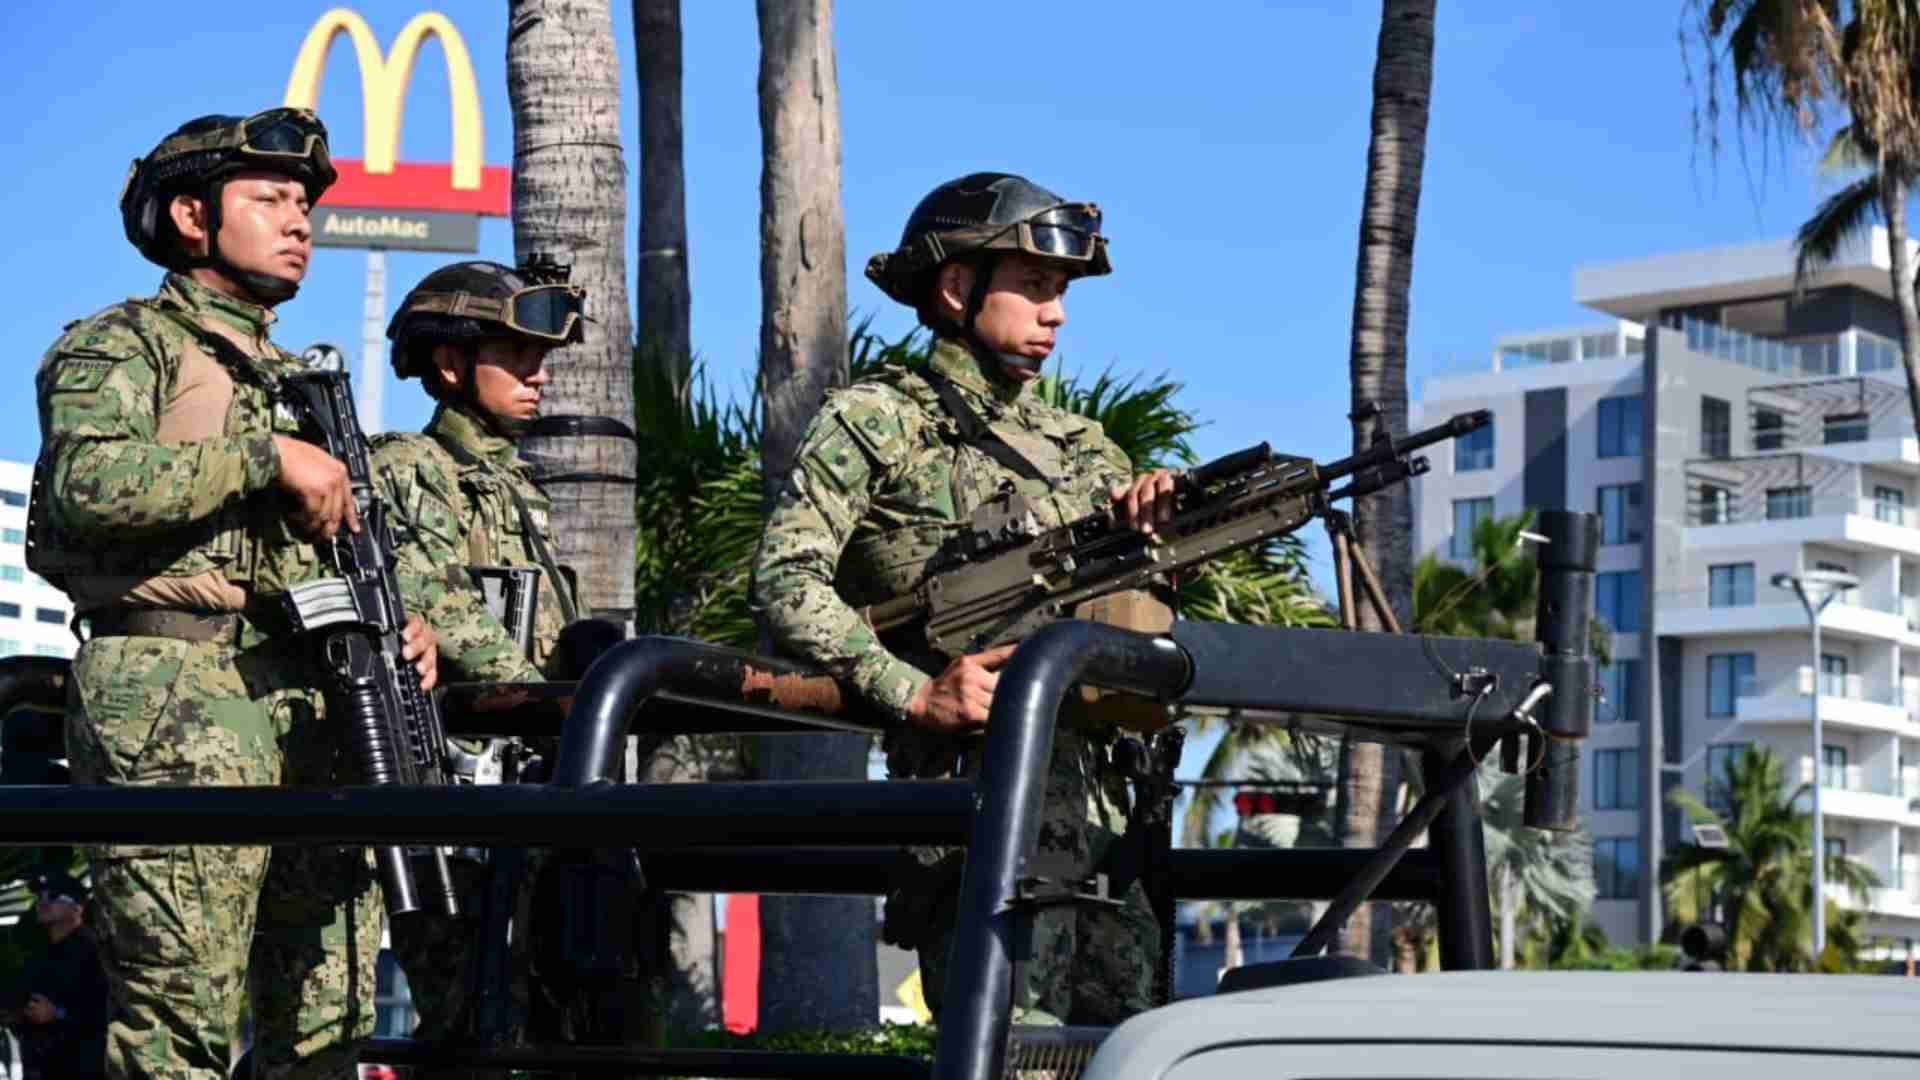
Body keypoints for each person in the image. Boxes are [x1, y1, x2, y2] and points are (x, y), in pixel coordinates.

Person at [29, 107, 442, 1080]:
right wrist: (261, 459)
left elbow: (351, 544)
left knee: (327, 1025)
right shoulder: (126, 344)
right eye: (269, 199)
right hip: (175, 693)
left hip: (317, 705)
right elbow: (85, 484)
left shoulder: (303, 380)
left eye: (305, 204)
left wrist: (407, 622)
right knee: (180, 1025)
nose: (300, 222)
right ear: (189, 216)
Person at [752, 172, 1177, 1024]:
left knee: (1126, 1050)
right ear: (956, 288)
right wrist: (913, 692)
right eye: (1035, 288)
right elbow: (786, 582)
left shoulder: (1081, 447)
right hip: (981, 815)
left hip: (1104, 823)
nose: (1055, 314)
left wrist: (1158, 536)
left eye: (1060, 294)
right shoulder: (879, 419)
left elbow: (1136, 612)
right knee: (1008, 1048)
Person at [371, 259, 589, 1069]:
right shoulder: (411, 466)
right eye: (515, 355)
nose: (539, 375)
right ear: (451, 364)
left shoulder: (512, 485)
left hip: (525, 795)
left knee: (543, 1017)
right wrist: (548, 702)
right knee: (468, 1016)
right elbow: (430, 589)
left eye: (543, 357)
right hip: (455, 800)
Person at [15, 869, 108, 1079]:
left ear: (78, 907)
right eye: (39, 896)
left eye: (54, 896)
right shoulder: (39, 952)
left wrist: (57, 1015)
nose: (42, 901)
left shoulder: (95, 951)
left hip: (82, 1067)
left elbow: (106, 1012)